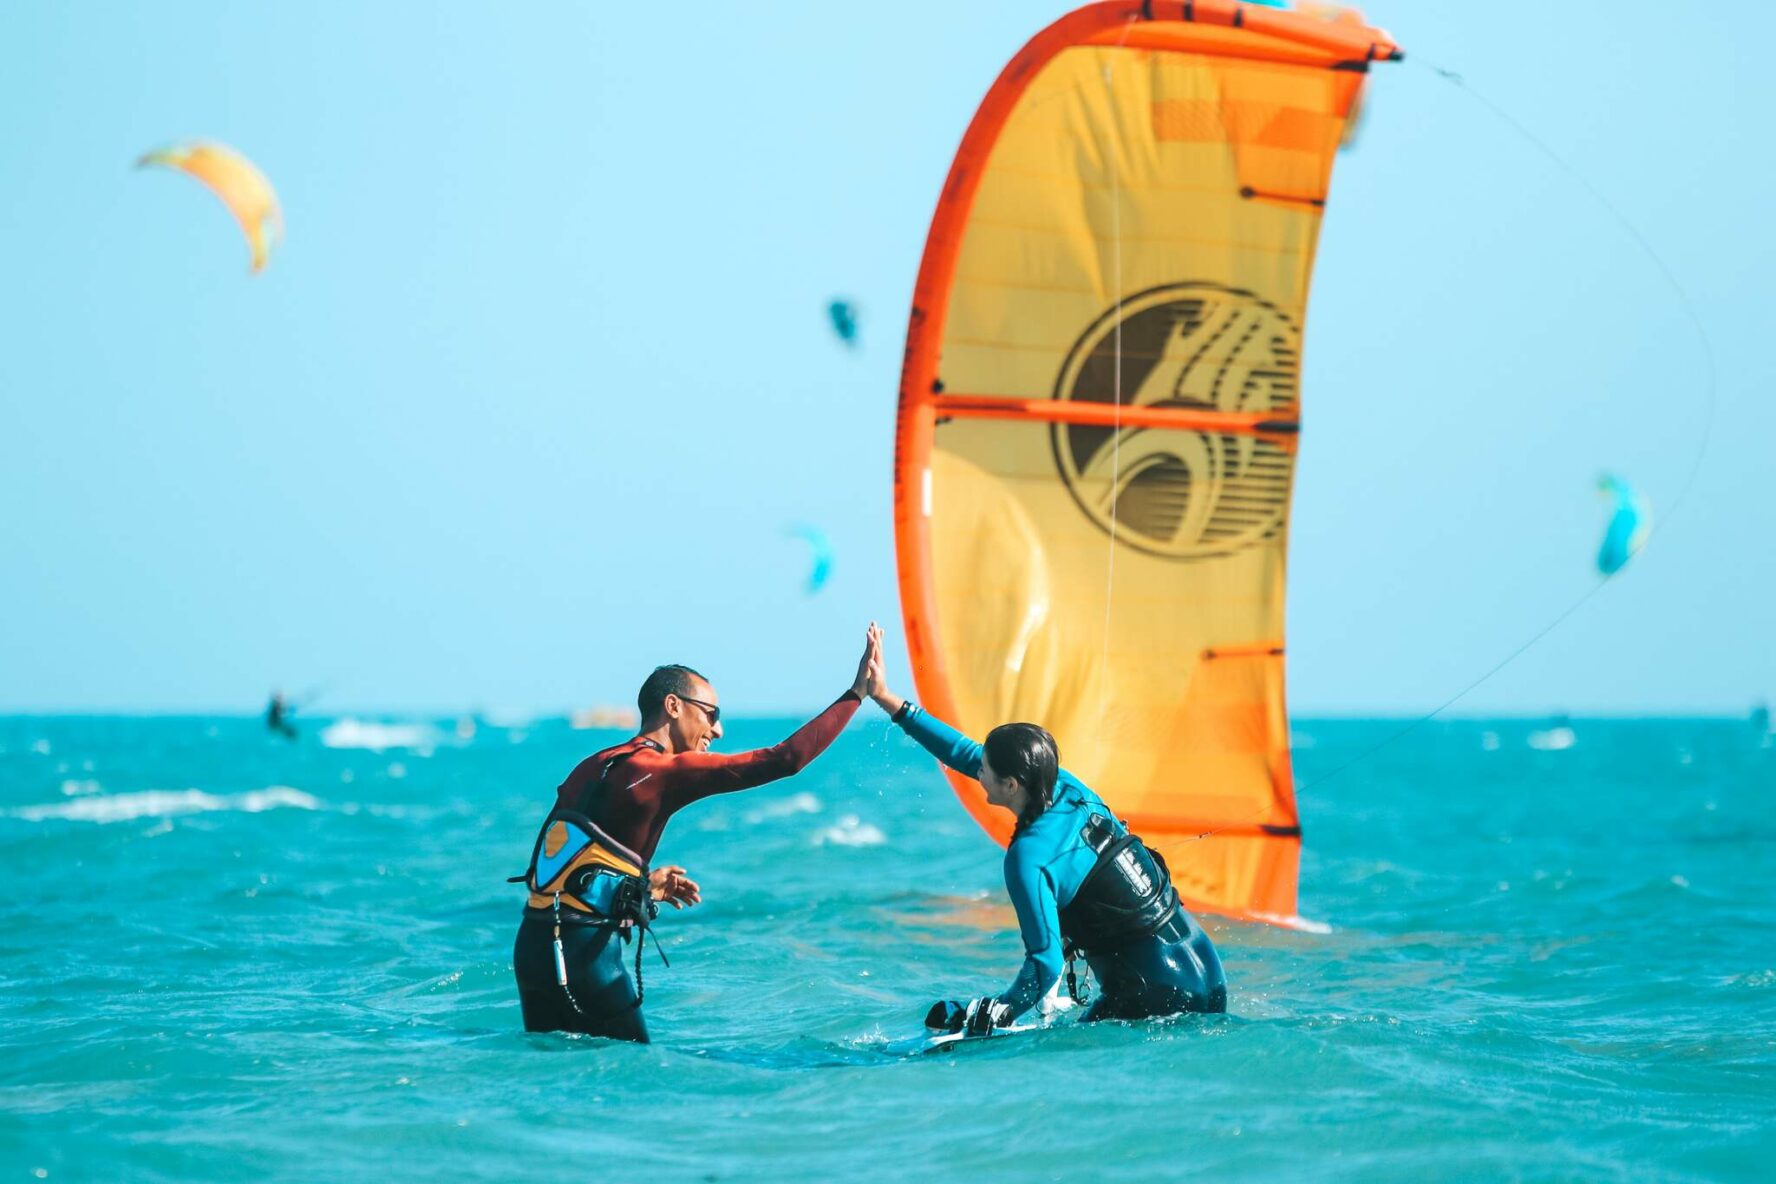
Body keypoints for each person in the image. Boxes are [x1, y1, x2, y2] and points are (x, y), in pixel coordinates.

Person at [511, 624, 881, 1042]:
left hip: (533, 950)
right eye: (711, 715)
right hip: (588, 958)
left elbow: (570, 862)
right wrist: (857, 694)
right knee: (631, 1081)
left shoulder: (592, 766)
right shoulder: (663, 772)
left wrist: (642, 888)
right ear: (673, 706)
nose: (717, 730)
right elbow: (785, 760)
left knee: (554, 1079)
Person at [865, 645, 1225, 1036]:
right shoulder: (1066, 785)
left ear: (1011, 785)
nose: (976, 770)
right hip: (1207, 970)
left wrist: (1001, 1011)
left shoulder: (1028, 859)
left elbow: (1045, 963)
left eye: (984, 769)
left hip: (1157, 991)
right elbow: (963, 753)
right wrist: (889, 700)